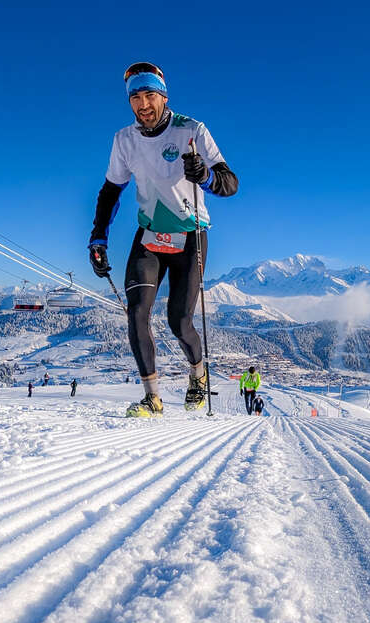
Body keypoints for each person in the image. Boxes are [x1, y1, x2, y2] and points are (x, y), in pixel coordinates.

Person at [88, 62, 239, 418]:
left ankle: (198, 375)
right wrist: (98, 237)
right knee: (137, 312)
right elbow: (111, 191)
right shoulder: (124, 140)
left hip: (190, 235)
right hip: (150, 233)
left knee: (179, 322)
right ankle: (152, 399)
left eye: (150, 95)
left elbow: (229, 183)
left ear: (164, 96)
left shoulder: (191, 129)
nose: (143, 104)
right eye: (136, 97)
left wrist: (204, 176)